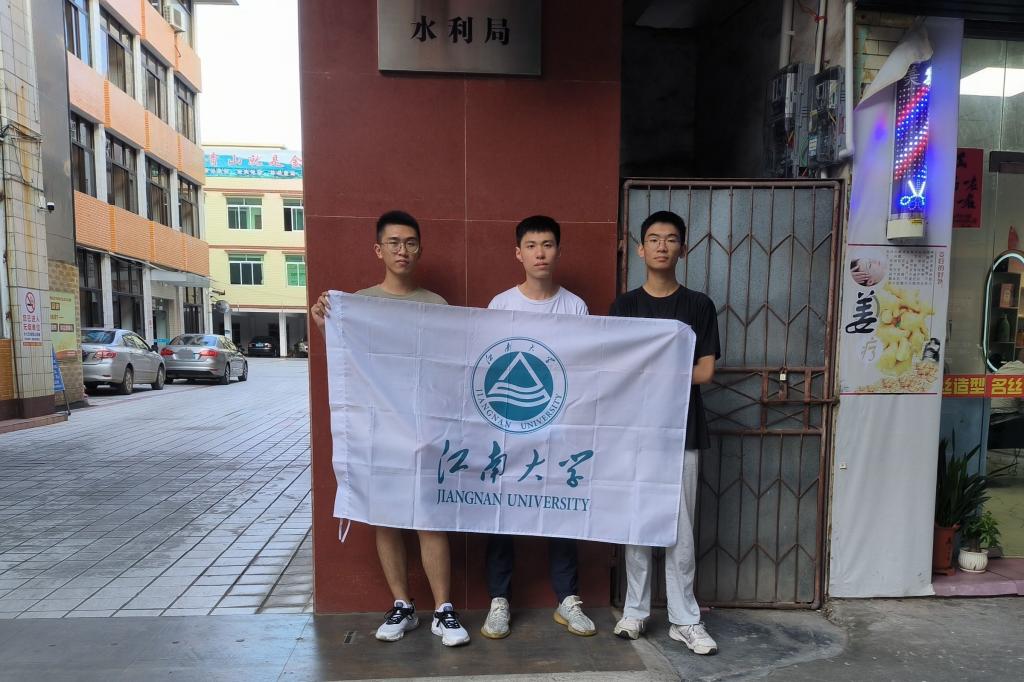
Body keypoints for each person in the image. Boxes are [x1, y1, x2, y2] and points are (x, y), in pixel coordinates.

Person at [310, 210, 470, 647]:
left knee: (430, 517)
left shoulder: (436, 306)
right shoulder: (358, 304)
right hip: (378, 428)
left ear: (420, 249)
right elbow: (350, 364)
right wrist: (327, 327)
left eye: (411, 242)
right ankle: (402, 604)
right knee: (386, 517)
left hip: (425, 427)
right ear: (378, 249)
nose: (403, 250)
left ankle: (443, 609)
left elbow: (449, 368)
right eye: (394, 243)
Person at [609, 210, 720, 656]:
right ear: (640, 249)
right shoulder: (625, 307)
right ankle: (635, 611)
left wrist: (653, 374)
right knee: (636, 520)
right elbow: (617, 369)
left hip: (683, 430)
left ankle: (684, 619)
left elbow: (705, 372)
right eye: (653, 238)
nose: (661, 246)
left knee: (680, 528)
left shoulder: (698, 306)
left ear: (682, 249)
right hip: (634, 432)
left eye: (671, 239)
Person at [480, 214, 596, 640]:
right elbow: (488, 364)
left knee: (561, 510)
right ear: (518, 253)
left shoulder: (575, 307)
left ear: (558, 251)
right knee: (502, 514)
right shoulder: (500, 305)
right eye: (531, 246)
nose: (540, 253)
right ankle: (499, 600)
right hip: (507, 427)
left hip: (559, 427)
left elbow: (583, 366)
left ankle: (568, 599)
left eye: (547, 245)